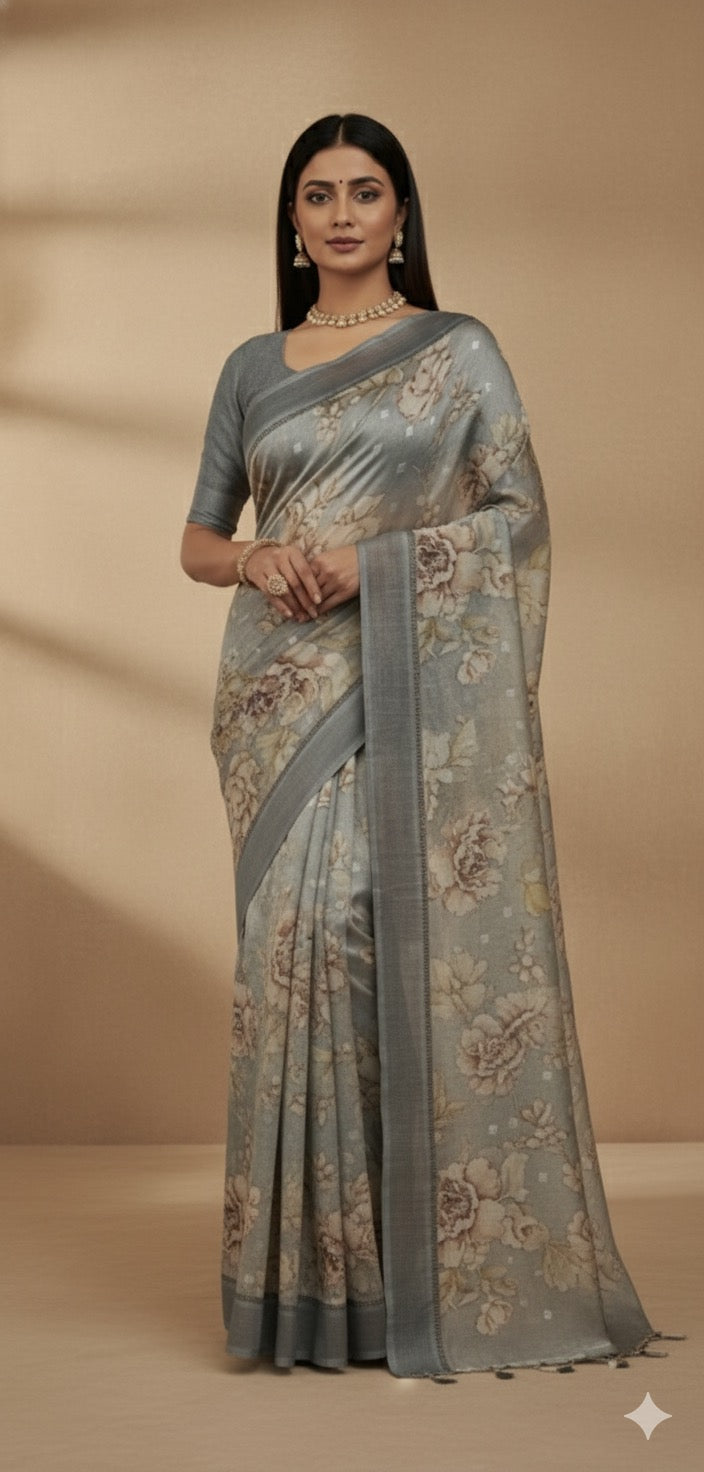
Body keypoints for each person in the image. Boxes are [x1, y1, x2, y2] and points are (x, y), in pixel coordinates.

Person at [180, 112, 683, 1380]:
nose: (342, 214)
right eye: (318, 194)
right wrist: (256, 556)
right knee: (290, 957)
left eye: (365, 191)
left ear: (401, 214)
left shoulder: (459, 351)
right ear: (292, 221)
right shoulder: (249, 365)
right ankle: (307, 1291)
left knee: (365, 937)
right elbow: (197, 538)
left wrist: (379, 565)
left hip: (396, 679)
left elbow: (516, 517)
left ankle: (404, 1272)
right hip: (275, 693)